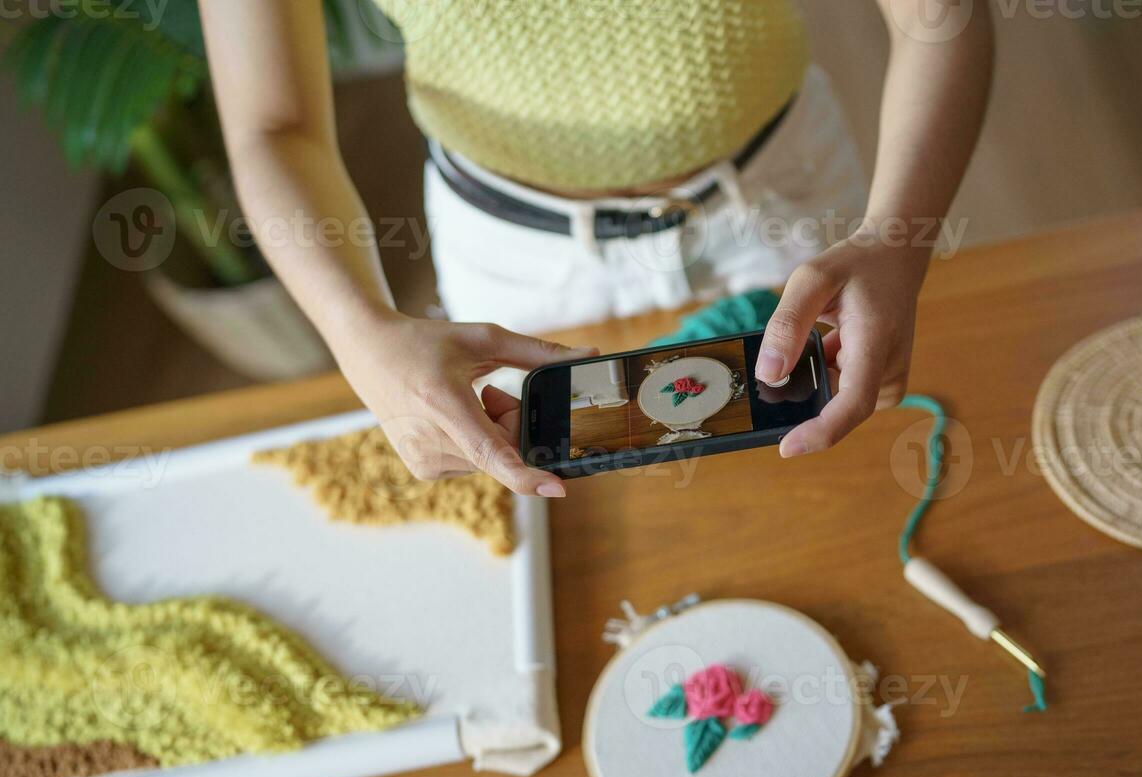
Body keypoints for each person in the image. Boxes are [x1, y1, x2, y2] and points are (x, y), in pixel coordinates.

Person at [199, 0, 991, 496]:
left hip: (782, 200)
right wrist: (355, 331)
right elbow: (274, 125)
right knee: (570, 516)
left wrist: (895, 237)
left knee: (828, 486)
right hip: (512, 263)